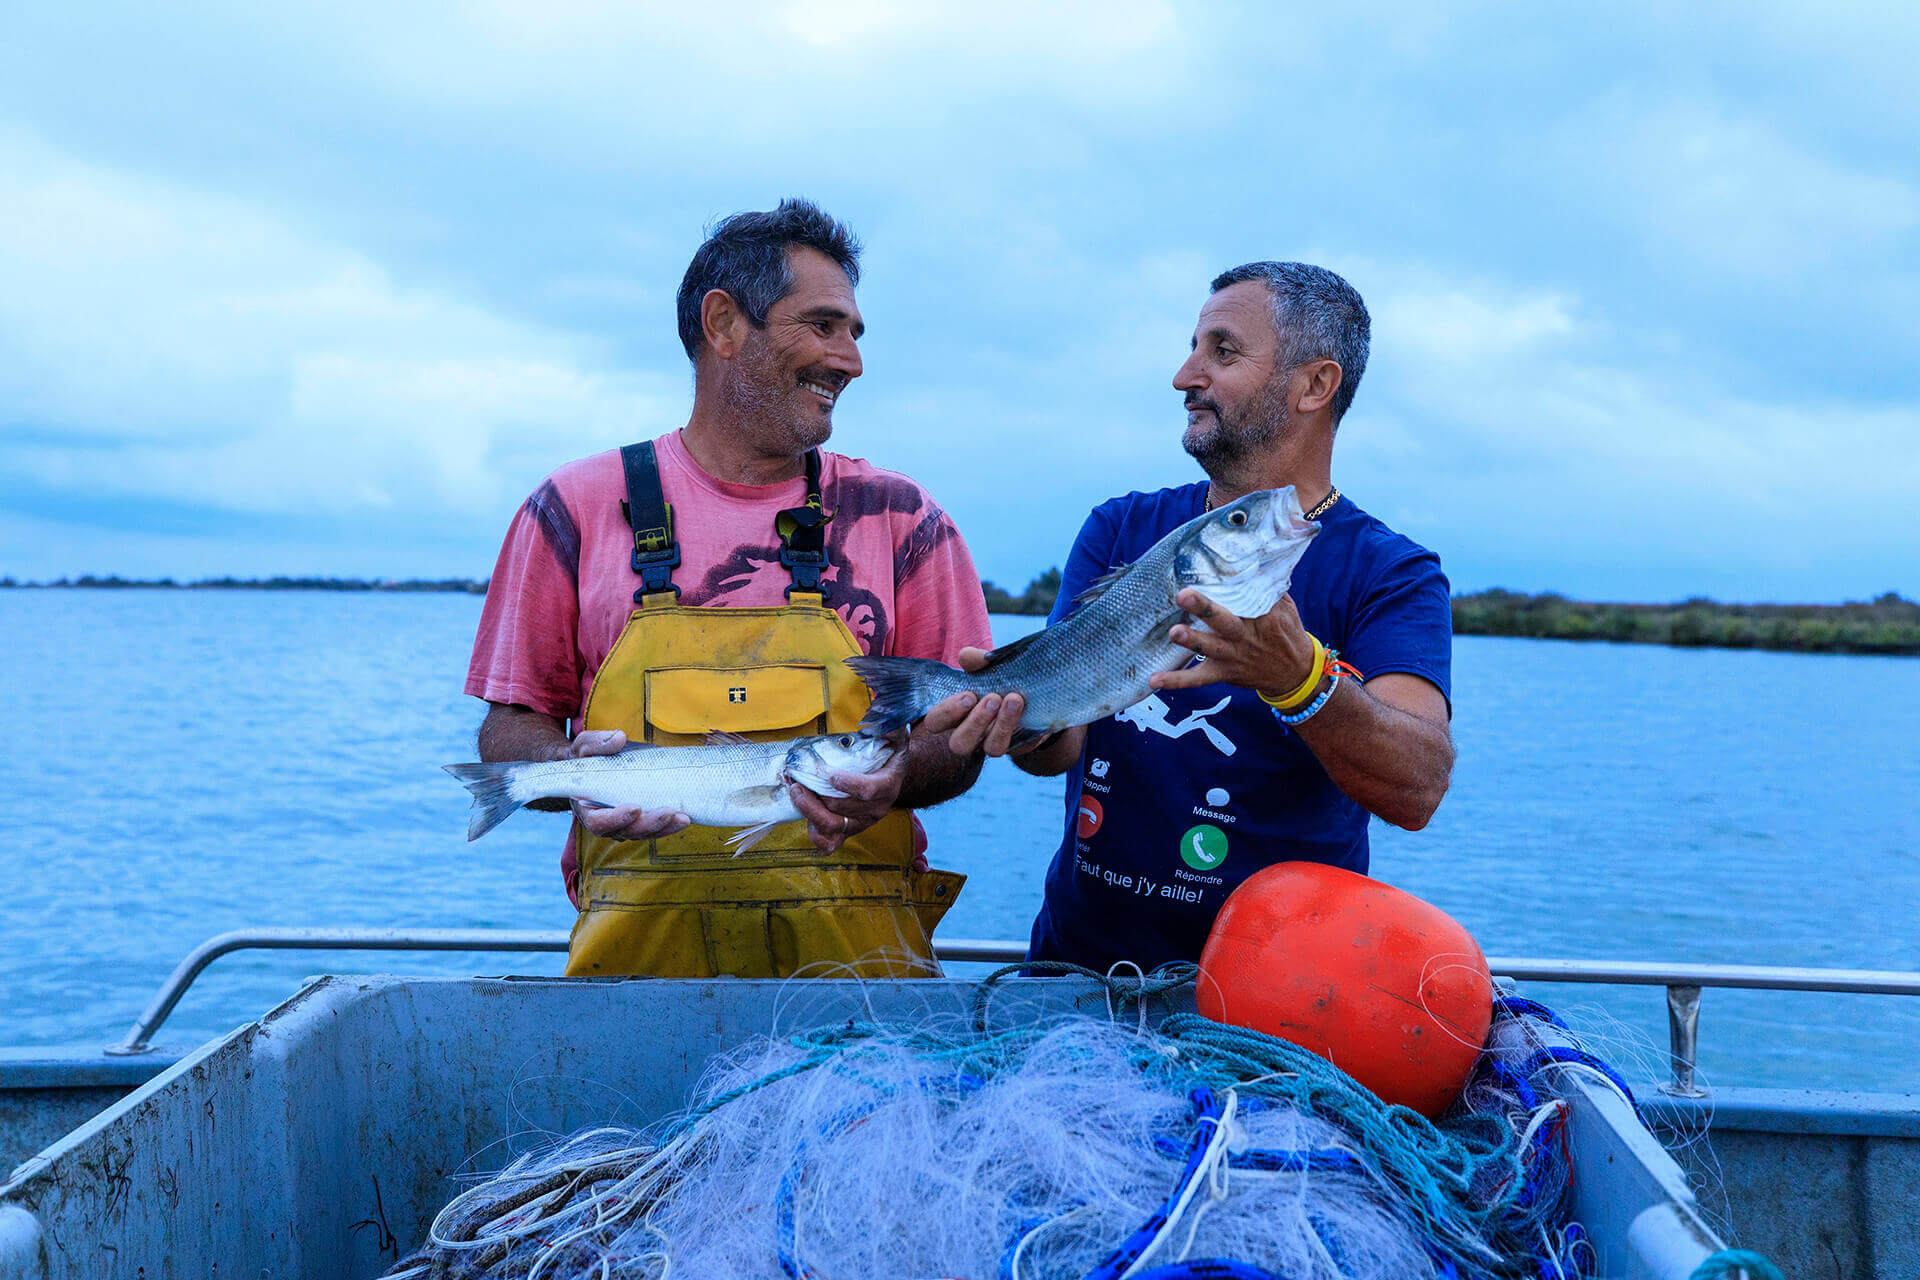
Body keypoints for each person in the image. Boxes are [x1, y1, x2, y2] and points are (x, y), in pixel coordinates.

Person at [466, 199, 994, 979]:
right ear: (723, 325)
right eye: (822, 326)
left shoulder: (903, 519)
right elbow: (509, 732)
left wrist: (895, 779)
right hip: (632, 987)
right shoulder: (573, 509)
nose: (850, 360)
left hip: (863, 995)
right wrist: (573, 772)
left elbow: (958, 735)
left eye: (854, 333)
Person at [931, 261, 1455, 972]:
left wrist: (1300, 680)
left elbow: (1418, 785)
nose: (1185, 375)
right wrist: (1017, 724)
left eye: (1223, 351)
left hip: (1280, 993)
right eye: (1193, 347)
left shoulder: (1390, 572)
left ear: (1315, 385)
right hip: (1077, 974)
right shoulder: (1121, 529)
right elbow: (1061, 742)